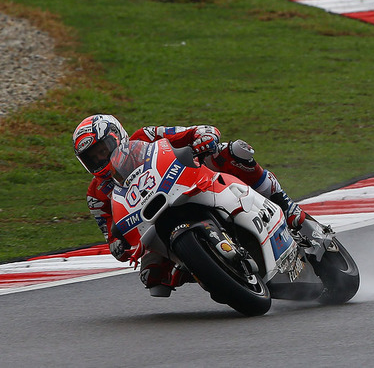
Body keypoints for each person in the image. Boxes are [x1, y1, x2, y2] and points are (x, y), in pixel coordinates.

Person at [72, 114, 306, 296]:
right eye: (93, 158)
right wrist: (116, 244)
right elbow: (109, 231)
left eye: (103, 150)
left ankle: (286, 206)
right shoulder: (96, 194)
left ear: (116, 135)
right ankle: (208, 271)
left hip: (189, 183)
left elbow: (187, 134)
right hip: (152, 222)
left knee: (232, 152)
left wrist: (203, 135)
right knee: (152, 277)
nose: (101, 159)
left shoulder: (144, 137)